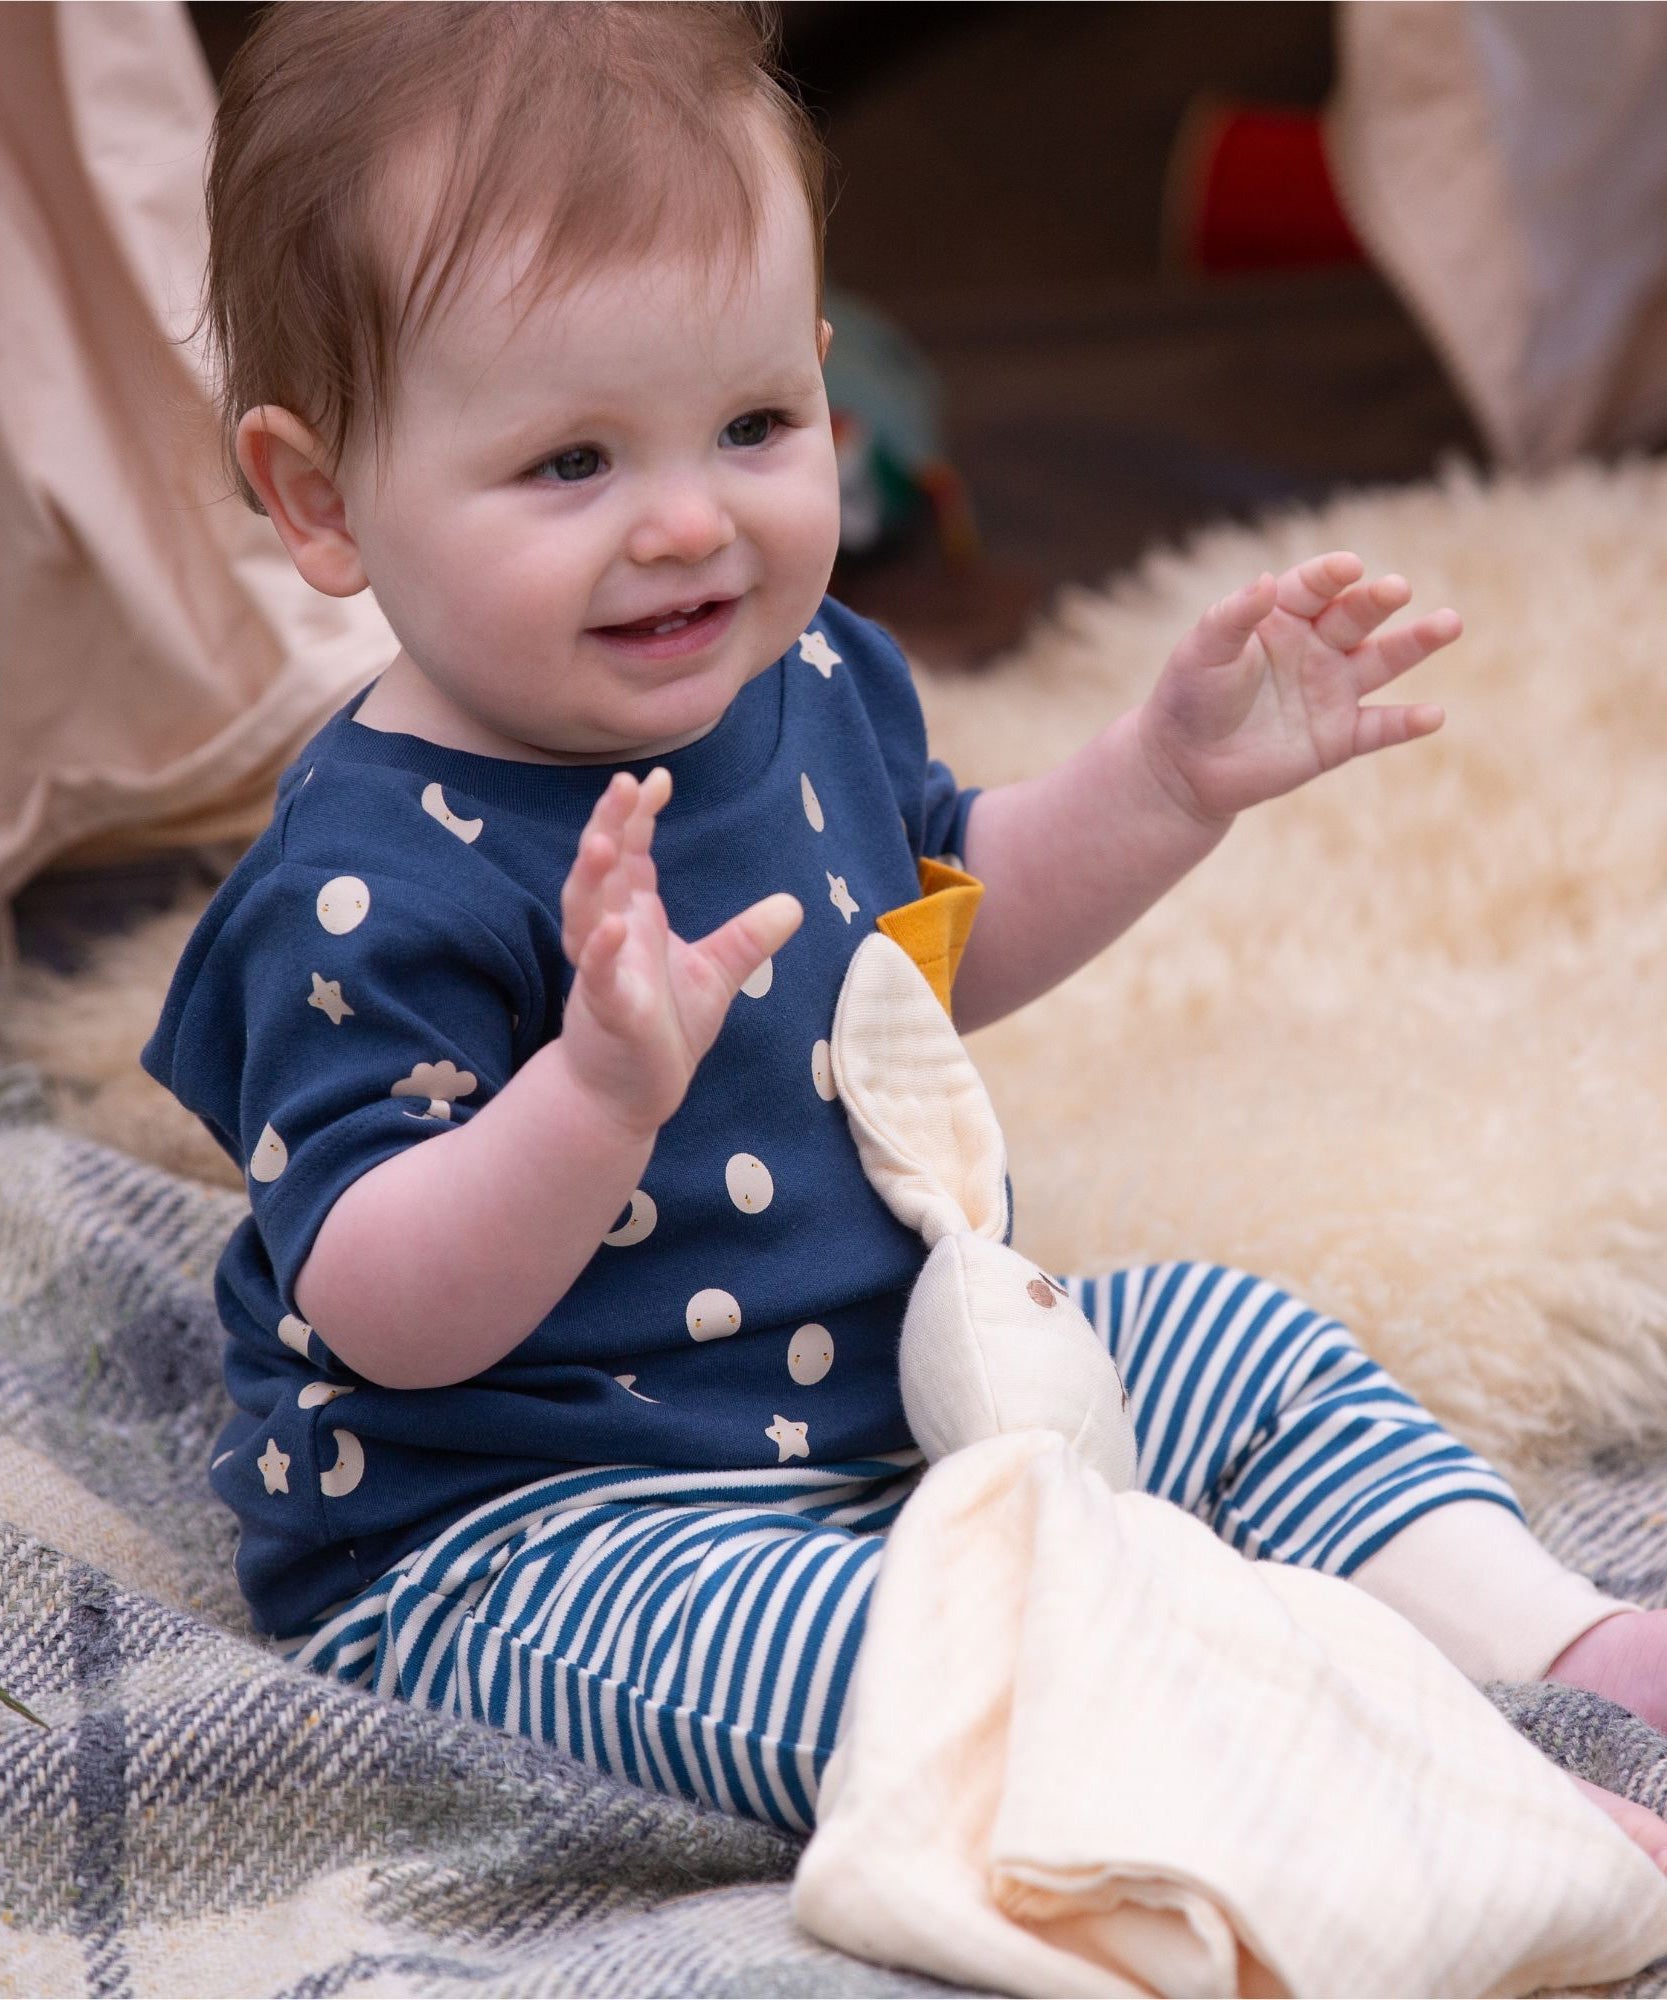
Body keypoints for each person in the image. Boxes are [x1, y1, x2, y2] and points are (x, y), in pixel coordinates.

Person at [143, 1, 1665, 1858]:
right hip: (546, 1530)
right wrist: (593, 1098)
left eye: (756, 422)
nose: (690, 523)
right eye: (571, 465)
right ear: (320, 501)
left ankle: (1566, 1643)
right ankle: (1406, 1815)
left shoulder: (804, 682)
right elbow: (381, 1307)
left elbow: (929, 956)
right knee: (935, 1671)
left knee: (1230, 1341)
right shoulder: (363, 881)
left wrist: (1161, 783)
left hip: (909, 1392)